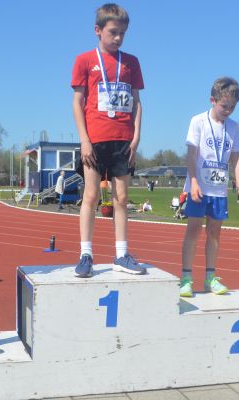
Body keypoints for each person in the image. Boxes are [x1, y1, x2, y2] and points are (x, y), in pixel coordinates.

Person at [71, 3, 146, 278]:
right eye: (113, 32)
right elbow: (77, 103)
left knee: (122, 198)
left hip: (123, 140)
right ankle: (86, 255)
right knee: (90, 196)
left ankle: (121, 254)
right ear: (98, 30)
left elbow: (137, 103)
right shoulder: (84, 60)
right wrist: (84, 140)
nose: (118, 38)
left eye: (122, 33)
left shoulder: (131, 62)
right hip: (95, 139)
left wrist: (136, 137)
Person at [179, 77, 239, 297]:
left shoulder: (233, 127)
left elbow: (236, 158)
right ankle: (186, 278)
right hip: (199, 186)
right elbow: (191, 154)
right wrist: (193, 181)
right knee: (194, 230)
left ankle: (210, 278)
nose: (228, 111)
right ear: (213, 100)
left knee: (214, 233)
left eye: (232, 107)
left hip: (219, 189)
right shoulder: (198, 121)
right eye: (224, 106)